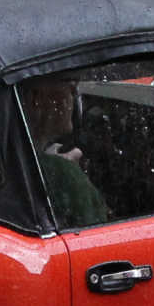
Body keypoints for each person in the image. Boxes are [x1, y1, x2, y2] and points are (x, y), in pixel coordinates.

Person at [21, 80, 109, 228]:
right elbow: (101, 238)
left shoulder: (9, 159)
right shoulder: (63, 174)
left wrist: (46, 160)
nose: (76, 93)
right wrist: (64, 171)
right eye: (69, 83)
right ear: (37, 99)